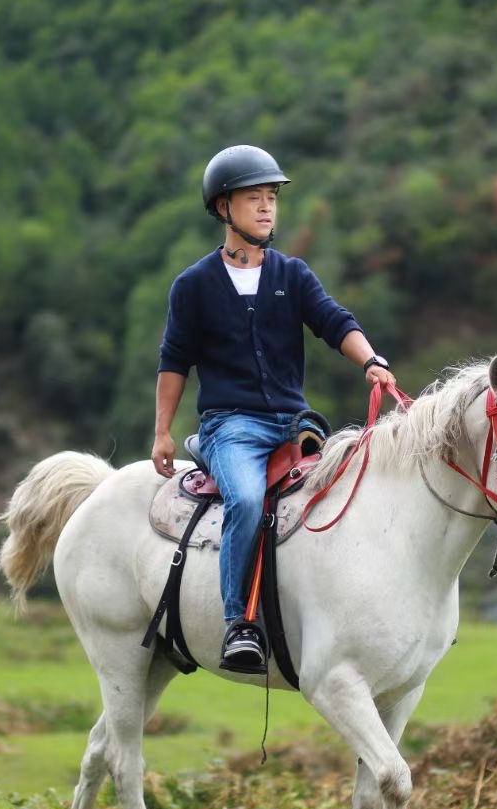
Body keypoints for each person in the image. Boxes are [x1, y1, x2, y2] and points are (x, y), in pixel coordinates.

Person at [153, 145, 396, 674]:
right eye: (253, 199)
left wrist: (371, 361)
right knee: (243, 498)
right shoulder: (193, 286)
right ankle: (238, 623)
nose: (266, 208)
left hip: (294, 425)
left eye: (271, 199)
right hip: (229, 428)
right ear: (223, 208)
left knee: (353, 492)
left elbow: (335, 322)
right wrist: (163, 433)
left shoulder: (294, 274)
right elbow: (174, 360)